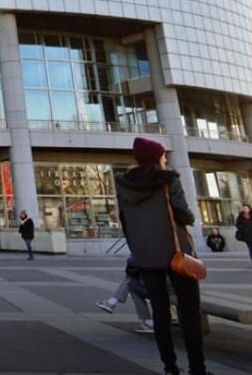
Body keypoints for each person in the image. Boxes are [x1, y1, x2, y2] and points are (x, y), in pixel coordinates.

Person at [116, 137, 208, 375]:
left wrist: (138, 247)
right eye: (163, 154)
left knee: (160, 313)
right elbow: (184, 215)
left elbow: (124, 220)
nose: (165, 157)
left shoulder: (123, 184)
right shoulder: (169, 180)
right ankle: (197, 368)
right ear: (157, 158)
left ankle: (169, 367)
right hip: (176, 254)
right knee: (189, 311)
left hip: (146, 256)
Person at [96, 256, 154, 333]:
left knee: (132, 282)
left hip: (165, 291)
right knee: (132, 279)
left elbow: (132, 262)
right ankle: (112, 301)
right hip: (169, 288)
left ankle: (112, 301)